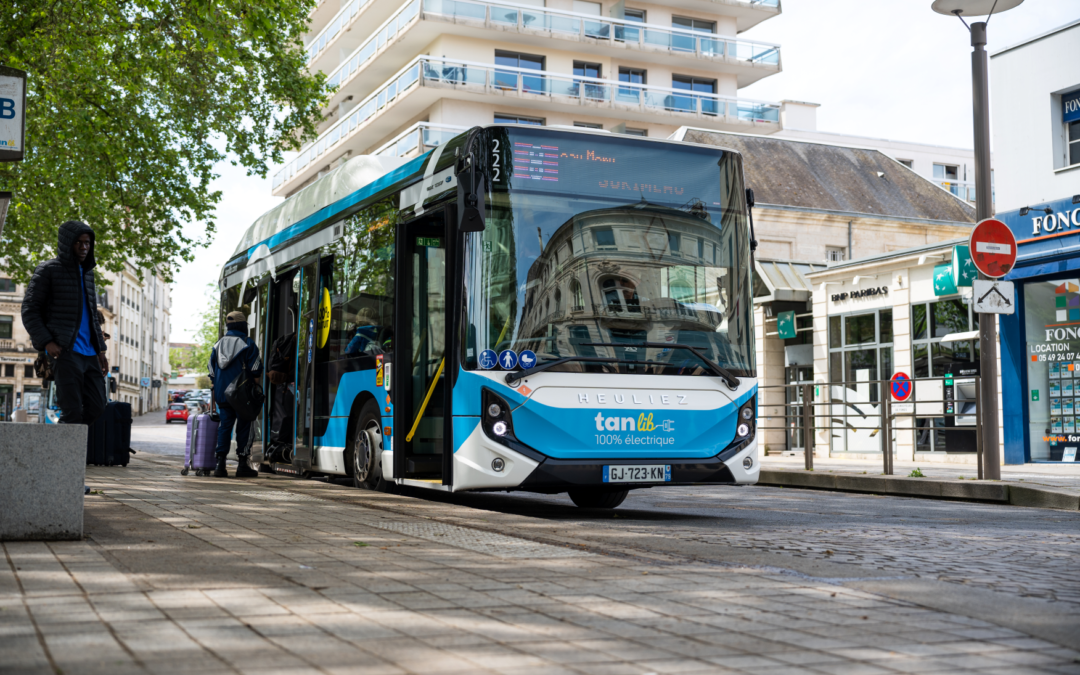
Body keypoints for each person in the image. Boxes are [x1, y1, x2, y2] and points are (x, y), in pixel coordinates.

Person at [22, 221, 109, 426]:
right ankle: (66, 455)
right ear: (66, 243)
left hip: (90, 354)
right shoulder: (48, 270)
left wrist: (101, 351)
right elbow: (29, 310)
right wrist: (47, 342)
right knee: (71, 411)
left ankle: (64, 444)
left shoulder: (88, 273)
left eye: (87, 243)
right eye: (78, 243)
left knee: (98, 405)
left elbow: (92, 315)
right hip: (65, 352)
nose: (83, 247)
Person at [208, 311, 262, 478]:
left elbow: (211, 371)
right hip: (242, 395)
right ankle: (242, 464)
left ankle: (220, 465)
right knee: (244, 427)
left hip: (222, 394)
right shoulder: (248, 343)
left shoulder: (217, 345)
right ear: (243, 325)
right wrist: (256, 387)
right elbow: (255, 369)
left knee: (225, 427)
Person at [266, 308, 297, 461]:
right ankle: (285, 444)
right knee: (290, 414)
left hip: (284, 384)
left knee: (284, 413)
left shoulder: (285, 340)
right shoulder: (297, 341)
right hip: (291, 383)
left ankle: (280, 444)